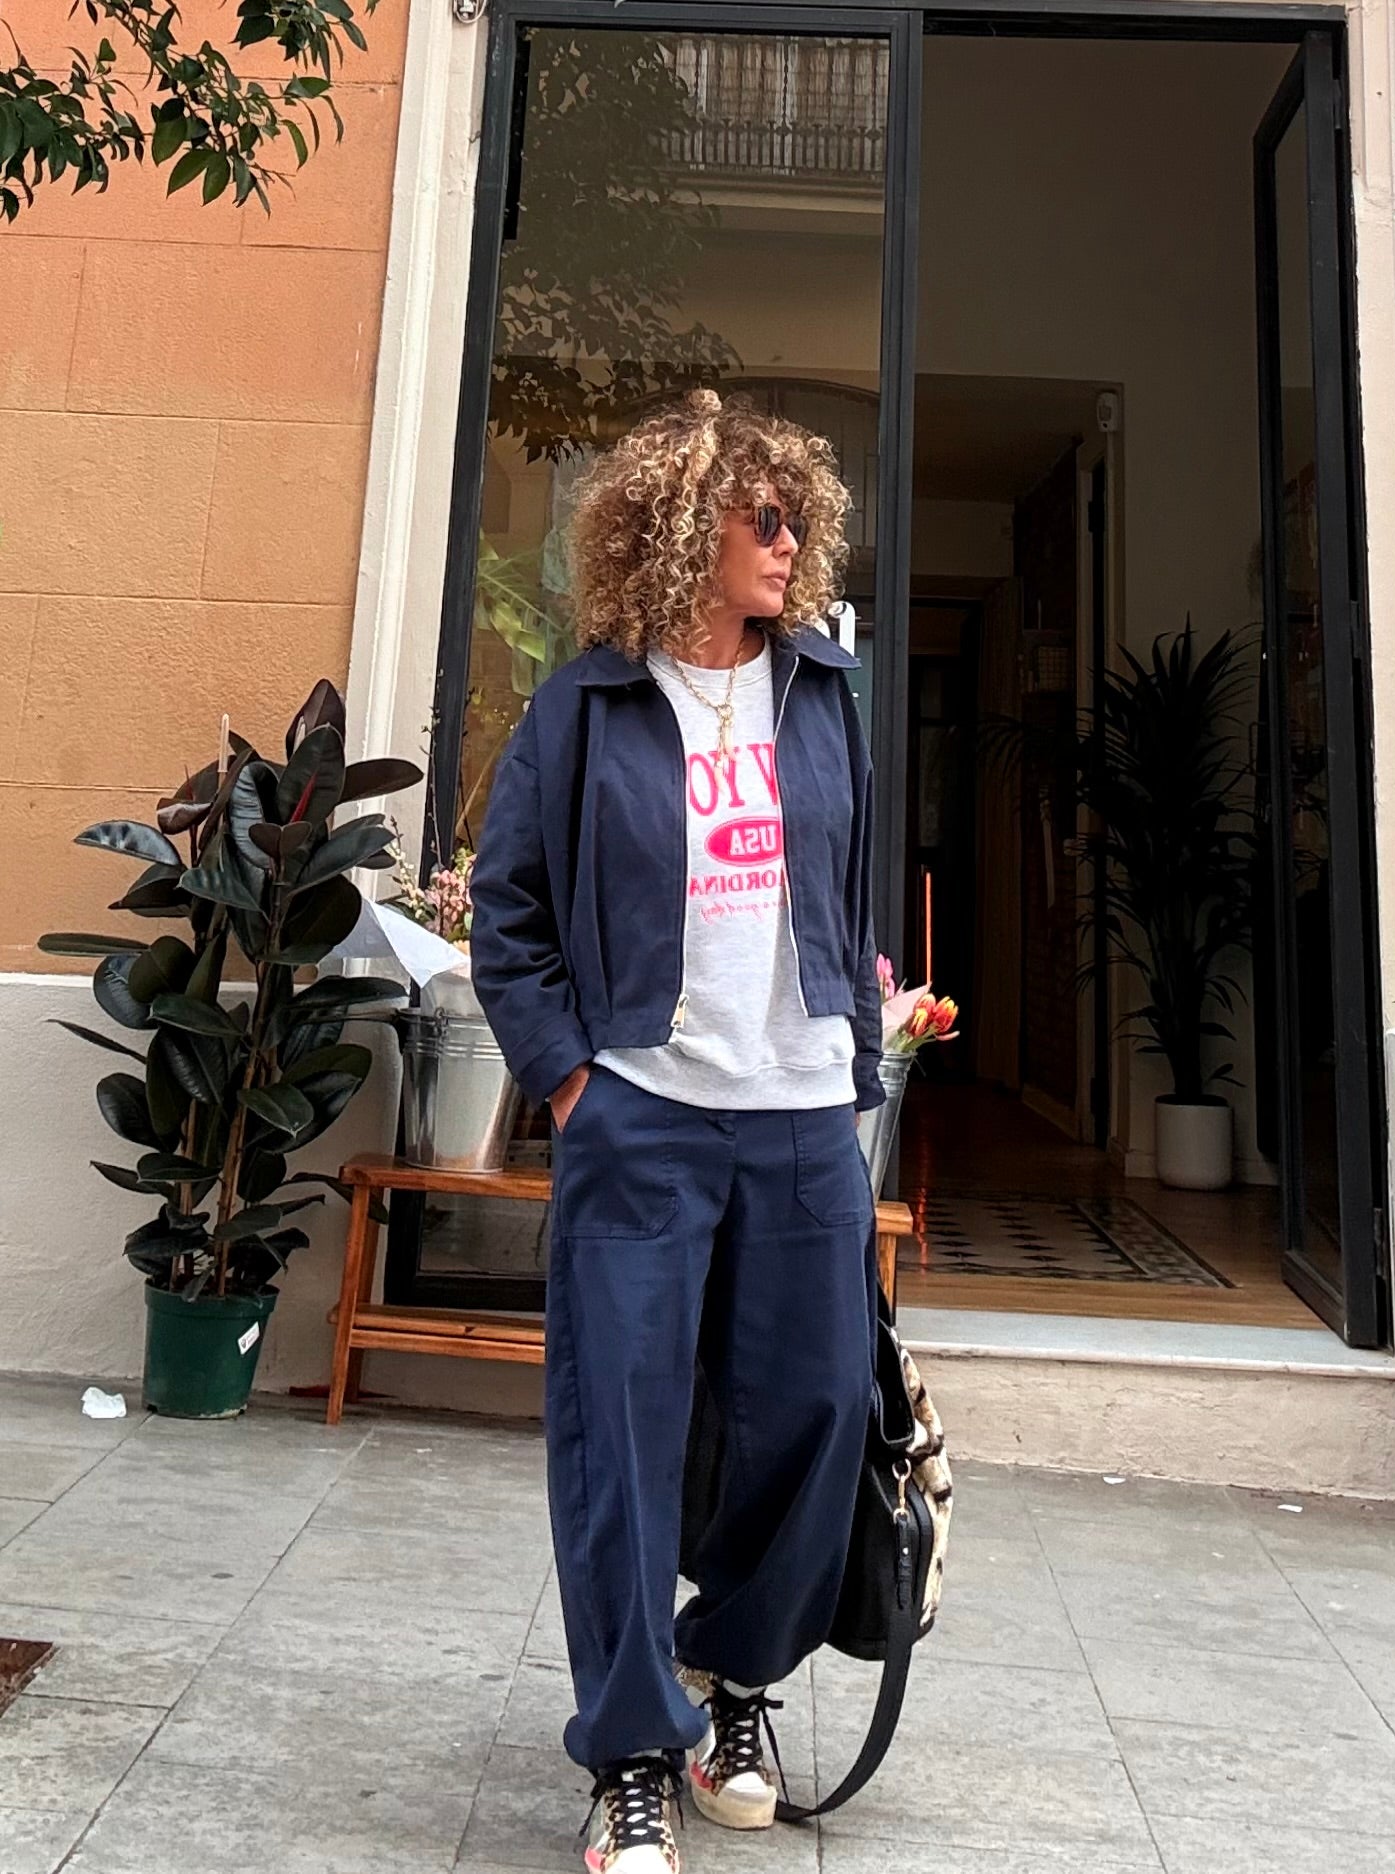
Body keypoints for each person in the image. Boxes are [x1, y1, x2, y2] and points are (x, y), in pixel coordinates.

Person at [470, 389, 883, 1874]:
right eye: (760, 517)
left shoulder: (825, 693)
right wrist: (571, 1081)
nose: (787, 541)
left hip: (800, 1116)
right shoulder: (587, 707)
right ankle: (632, 1752)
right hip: (643, 1113)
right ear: (681, 528)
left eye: (796, 518)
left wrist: (858, 1041)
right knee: (622, 1436)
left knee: (817, 1411)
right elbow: (507, 909)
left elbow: (851, 885)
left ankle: (734, 1675)